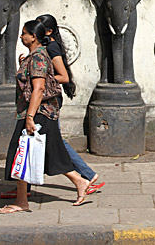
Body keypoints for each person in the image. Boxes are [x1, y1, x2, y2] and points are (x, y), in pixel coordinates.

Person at [0, 20, 90, 214]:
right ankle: (81, 181)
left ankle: (22, 202)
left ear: (34, 37)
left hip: (38, 112)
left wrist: (29, 117)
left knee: (20, 154)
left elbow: (38, 88)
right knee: (49, 153)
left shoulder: (39, 57)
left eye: (24, 33)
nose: (21, 37)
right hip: (38, 112)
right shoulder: (34, 57)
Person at [37, 14, 104, 194]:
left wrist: (38, 80)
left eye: (39, 28)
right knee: (37, 140)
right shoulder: (44, 47)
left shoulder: (51, 47)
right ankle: (24, 186)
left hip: (47, 100)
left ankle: (86, 176)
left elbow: (63, 76)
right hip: (42, 99)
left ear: (49, 31)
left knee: (51, 140)